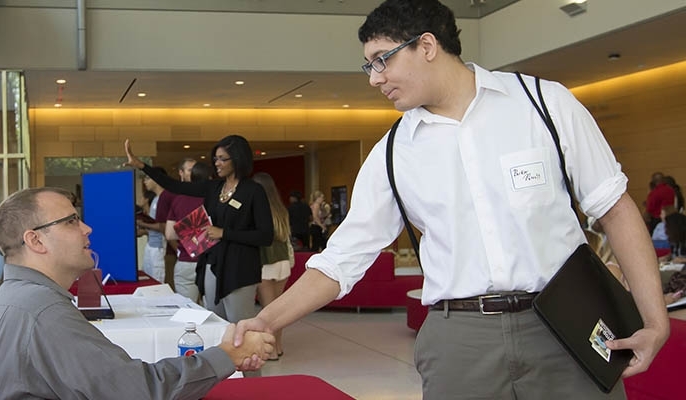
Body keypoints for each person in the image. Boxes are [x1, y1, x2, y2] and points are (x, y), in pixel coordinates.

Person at [234, 1, 669, 398]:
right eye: (367, 66)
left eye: (382, 60)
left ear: (427, 45)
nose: (375, 78)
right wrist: (268, 320)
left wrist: (655, 321)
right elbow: (342, 259)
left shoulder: (543, 104)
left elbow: (614, 208)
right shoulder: (393, 152)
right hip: (459, 336)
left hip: (565, 323)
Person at [0, 187, 274, 400]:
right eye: (72, 221)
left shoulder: (16, 299)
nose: (87, 228)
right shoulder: (41, 312)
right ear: (35, 241)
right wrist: (228, 356)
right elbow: (140, 391)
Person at [125, 135, 274, 324]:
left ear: (237, 159)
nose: (217, 163)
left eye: (222, 159)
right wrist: (141, 166)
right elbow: (174, 185)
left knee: (239, 324)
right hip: (212, 265)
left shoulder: (253, 191)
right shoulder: (214, 187)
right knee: (215, 323)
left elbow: (265, 235)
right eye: (216, 158)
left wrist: (224, 233)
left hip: (239, 269)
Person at [252, 172, 293, 359]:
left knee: (268, 310)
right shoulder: (281, 209)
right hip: (283, 263)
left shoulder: (257, 210)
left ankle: (270, 351)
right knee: (278, 309)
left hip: (265, 264)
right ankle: (279, 346)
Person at [165, 161, 213, 303]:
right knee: (212, 311)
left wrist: (190, 233)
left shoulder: (179, 199)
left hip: (186, 261)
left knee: (188, 311)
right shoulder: (215, 199)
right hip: (211, 263)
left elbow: (169, 234)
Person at [136, 169, 168, 282]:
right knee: (147, 280)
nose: (145, 181)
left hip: (158, 247)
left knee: (156, 283)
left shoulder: (164, 199)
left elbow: (162, 227)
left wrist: (142, 223)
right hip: (150, 245)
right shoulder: (155, 199)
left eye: (148, 178)